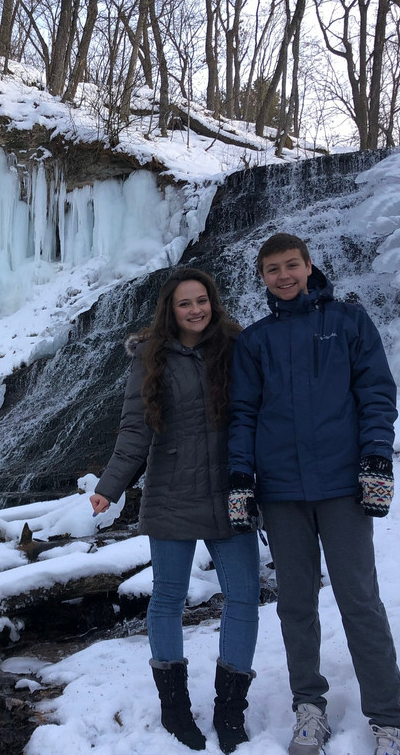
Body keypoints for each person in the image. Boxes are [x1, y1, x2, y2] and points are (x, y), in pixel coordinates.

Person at [227, 233, 400, 755]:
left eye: (291, 265)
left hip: (342, 488)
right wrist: (240, 478)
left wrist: (376, 460)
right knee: (295, 606)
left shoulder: (350, 322)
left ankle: (389, 719)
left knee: (359, 601)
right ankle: (308, 707)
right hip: (281, 492)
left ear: (309, 266)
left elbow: (376, 394)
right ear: (262, 277)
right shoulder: (255, 341)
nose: (283, 276)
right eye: (272, 269)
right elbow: (242, 415)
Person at [90, 267, 260, 753]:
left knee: (243, 597)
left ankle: (231, 710)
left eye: (201, 300)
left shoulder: (236, 345)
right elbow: (135, 428)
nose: (195, 310)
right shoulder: (151, 356)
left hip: (231, 491)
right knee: (168, 598)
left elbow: (261, 414)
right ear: (170, 308)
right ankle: (175, 707)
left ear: (213, 302)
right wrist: (110, 486)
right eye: (185, 303)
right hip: (171, 490)